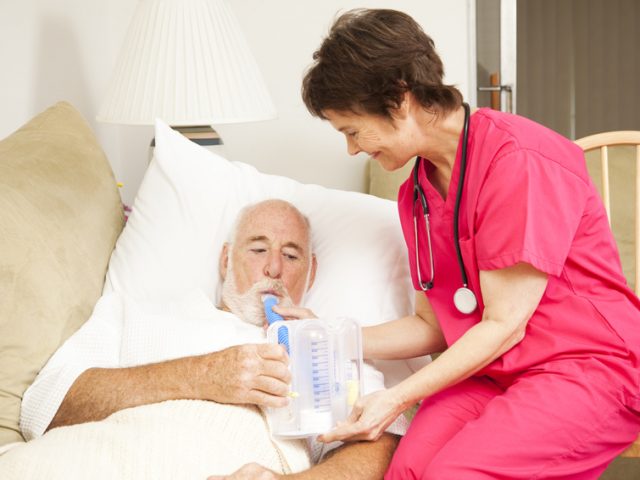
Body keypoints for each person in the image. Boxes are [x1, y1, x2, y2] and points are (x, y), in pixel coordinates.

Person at [301, 8, 640, 479]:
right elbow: (434, 325)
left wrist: (397, 396)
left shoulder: (519, 160)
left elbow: (502, 324)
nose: (353, 149)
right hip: (493, 372)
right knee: (408, 471)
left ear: (399, 99)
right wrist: (329, 338)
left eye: (352, 130)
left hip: (587, 367)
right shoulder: (415, 193)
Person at [18, 199, 403, 479]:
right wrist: (202, 375)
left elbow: (380, 448)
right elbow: (44, 408)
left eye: (291, 256)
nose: (272, 268)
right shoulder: (134, 311)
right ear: (225, 259)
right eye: (257, 249)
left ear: (312, 273)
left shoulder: (327, 347)